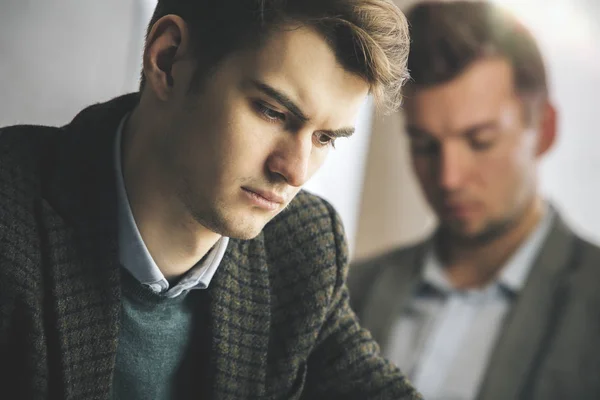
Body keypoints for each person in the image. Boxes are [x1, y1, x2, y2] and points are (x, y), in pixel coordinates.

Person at [0, 0, 422, 399]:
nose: (294, 171)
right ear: (168, 61)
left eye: (324, 138)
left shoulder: (301, 248)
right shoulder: (10, 213)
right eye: (273, 111)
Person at [349, 2, 600, 400]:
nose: (449, 178)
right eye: (425, 145)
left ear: (545, 130)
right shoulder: (348, 292)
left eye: (480, 141)